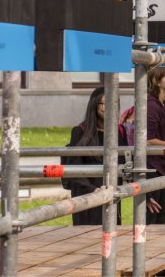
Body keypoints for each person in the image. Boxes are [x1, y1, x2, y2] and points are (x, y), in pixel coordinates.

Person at [61, 87, 121, 226]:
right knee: (88, 235)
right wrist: (95, 191)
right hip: (86, 197)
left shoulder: (119, 132)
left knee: (112, 233)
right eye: (103, 103)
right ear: (94, 105)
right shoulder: (80, 132)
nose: (108, 107)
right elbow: (74, 170)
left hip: (111, 196)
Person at [145, 66, 165, 223]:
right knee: (152, 220)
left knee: (160, 220)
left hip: (163, 168)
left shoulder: (163, 104)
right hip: (153, 169)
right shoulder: (151, 105)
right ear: (157, 82)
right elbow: (148, 140)